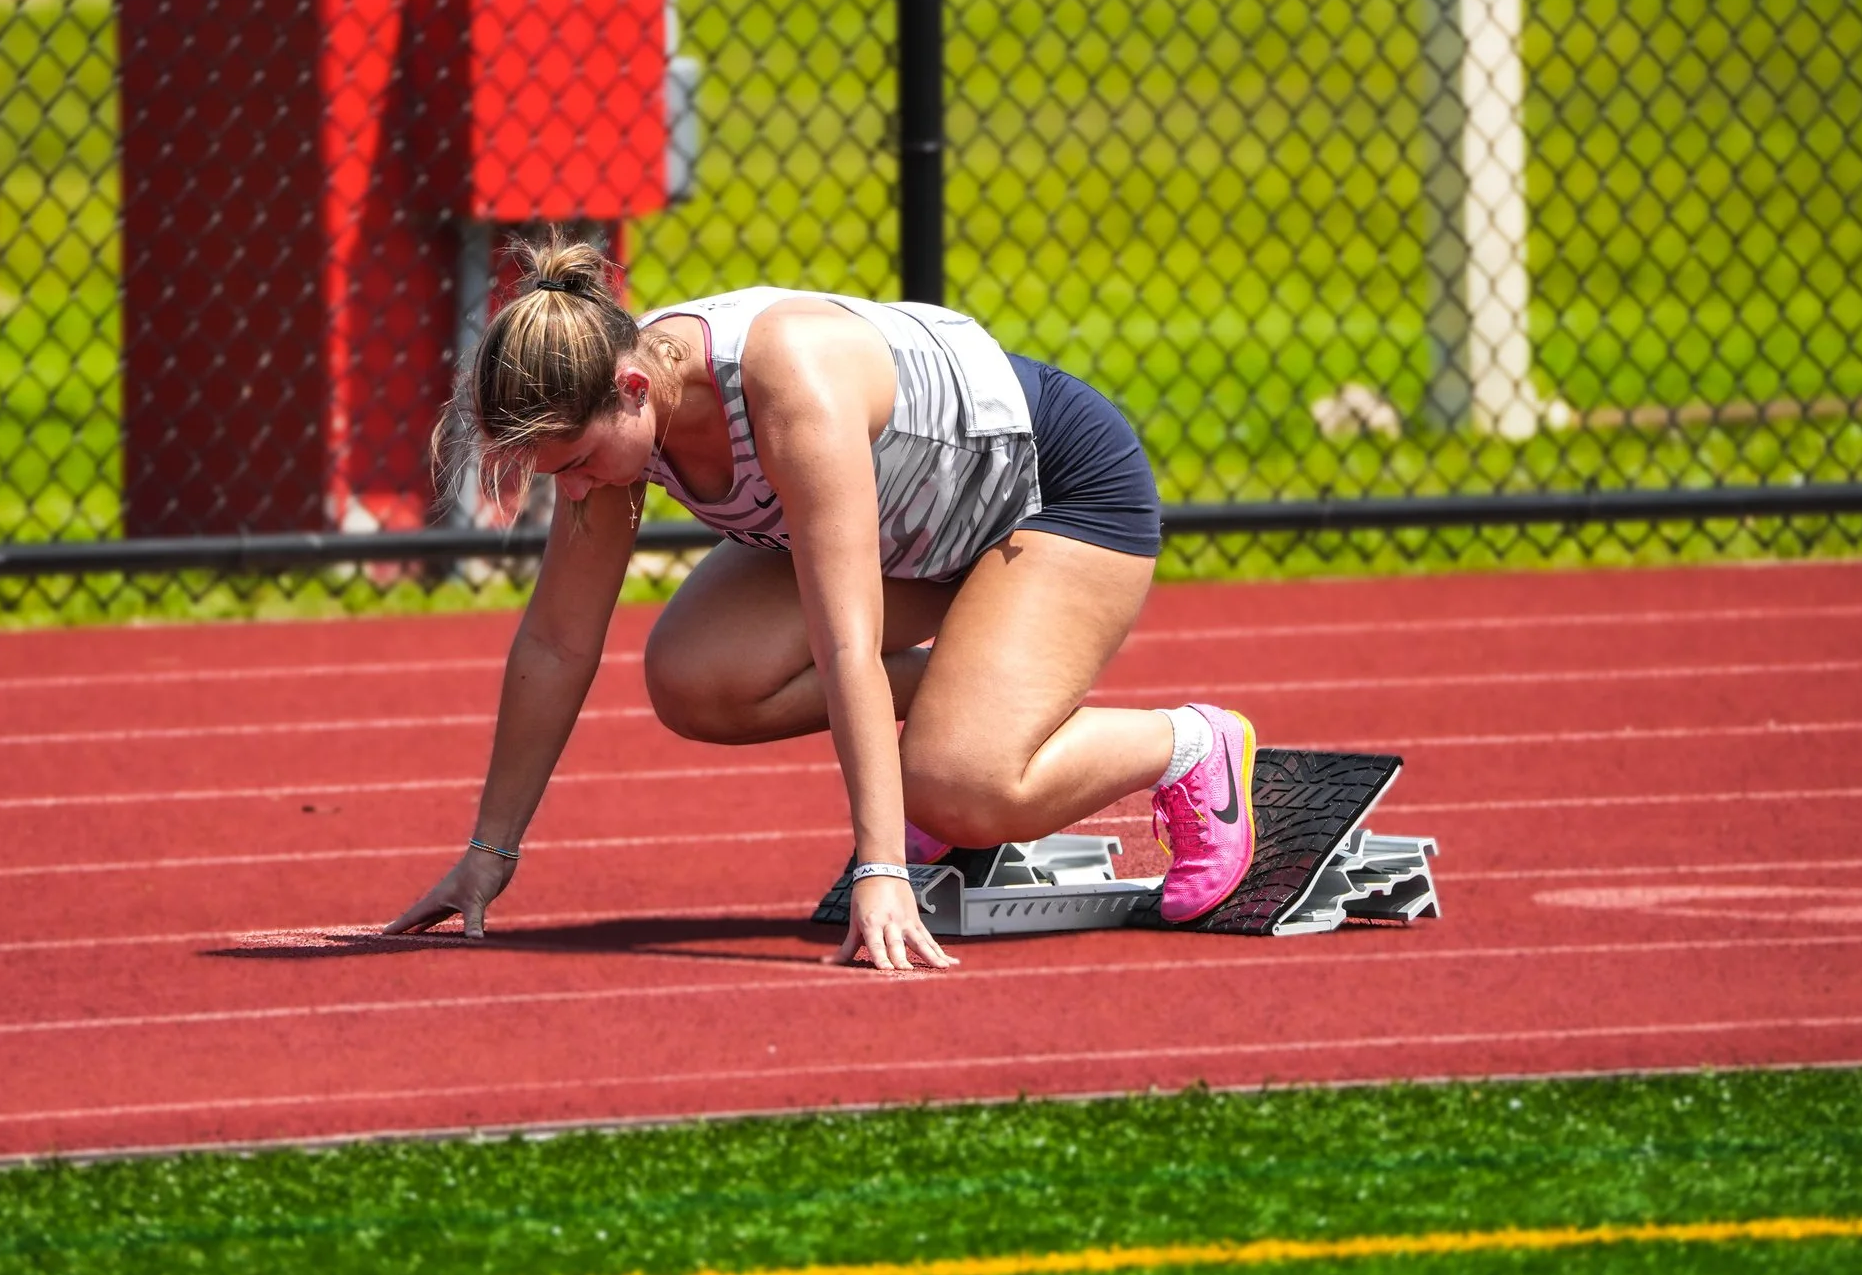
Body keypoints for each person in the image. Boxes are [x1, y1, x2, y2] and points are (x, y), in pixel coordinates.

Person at [387, 235, 1264, 970]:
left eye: (575, 463)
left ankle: (1191, 746)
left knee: (961, 787)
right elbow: (555, 641)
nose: (571, 490)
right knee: (693, 678)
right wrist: (487, 854)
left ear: (633, 391)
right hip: (915, 533)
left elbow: (848, 641)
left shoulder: (786, 383)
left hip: (1053, 497)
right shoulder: (612, 410)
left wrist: (884, 868)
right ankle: (972, 700)